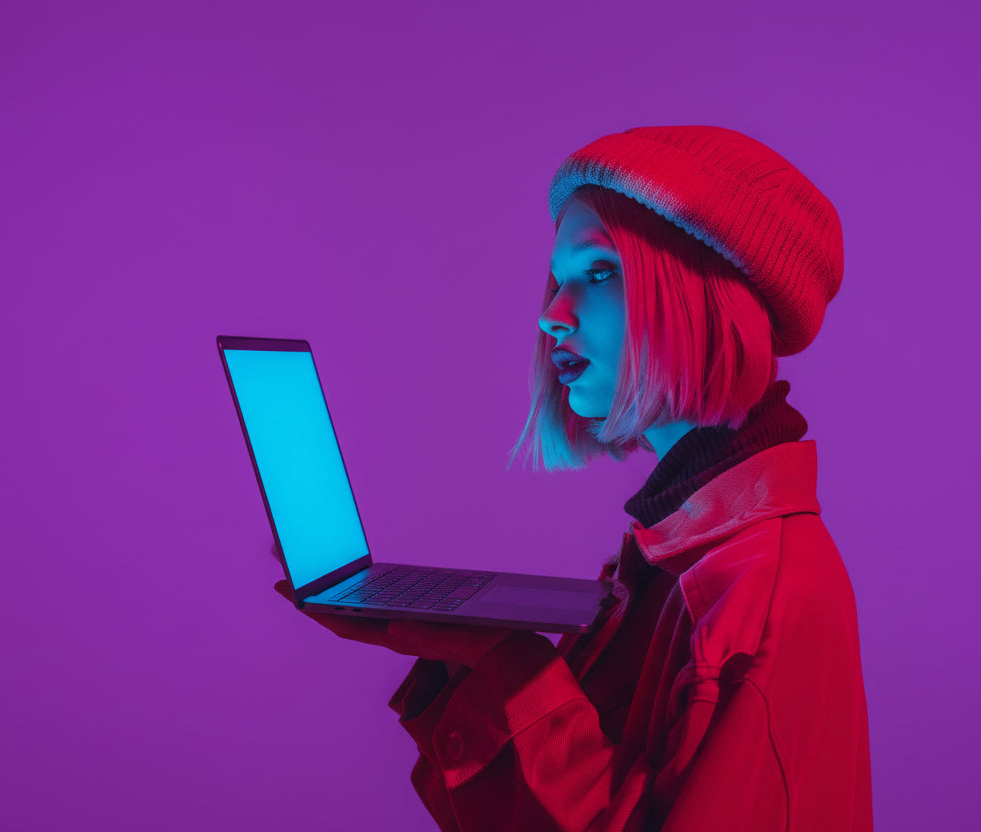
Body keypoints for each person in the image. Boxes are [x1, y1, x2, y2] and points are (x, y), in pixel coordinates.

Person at [275, 125, 873, 831]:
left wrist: (509, 663)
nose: (550, 316)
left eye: (598, 273)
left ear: (705, 294)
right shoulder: (672, 556)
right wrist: (472, 655)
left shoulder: (758, 594)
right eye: (557, 281)